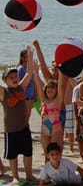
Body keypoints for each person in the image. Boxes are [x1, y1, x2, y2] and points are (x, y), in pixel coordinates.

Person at [0, 46, 36, 184]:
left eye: (15, 76)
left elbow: (29, 73)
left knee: (28, 152)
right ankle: (15, 177)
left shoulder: (21, 87)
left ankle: (29, 175)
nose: (15, 79)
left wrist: (30, 60)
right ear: (5, 80)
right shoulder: (4, 92)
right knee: (13, 155)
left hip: (24, 128)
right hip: (11, 130)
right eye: (11, 77)